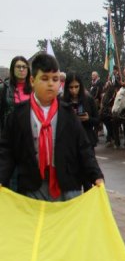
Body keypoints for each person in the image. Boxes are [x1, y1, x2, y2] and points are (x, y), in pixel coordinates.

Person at [0, 52, 104, 201]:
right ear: (32, 80)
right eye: (44, 79)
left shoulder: (68, 114)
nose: (51, 84)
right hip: (33, 186)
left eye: (55, 79)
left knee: (67, 223)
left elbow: (83, 147)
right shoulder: (19, 115)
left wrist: (96, 175)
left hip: (67, 184)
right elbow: (6, 150)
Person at [64, 73, 100, 146]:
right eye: (71, 87)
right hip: (69, 142)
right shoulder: (62, 101)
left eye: (76, 86)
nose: (74, 90)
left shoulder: (89, 99)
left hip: (87, 140)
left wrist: (88, 119)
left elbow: (97, 120)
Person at [1, 56, 33, 134]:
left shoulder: (34, 88)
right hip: (10, 133)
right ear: (13, 69)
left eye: (24, 67)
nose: (21, 69)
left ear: (28, 70)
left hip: (30, 133)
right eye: (18, 67)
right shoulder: (3, 88)